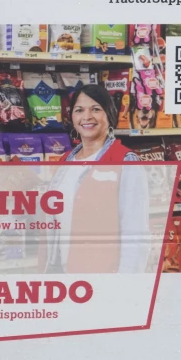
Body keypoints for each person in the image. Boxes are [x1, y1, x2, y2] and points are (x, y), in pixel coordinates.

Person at [46, 83, 150, 275]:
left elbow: (135, 233)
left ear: (109, 115)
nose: (86, 117)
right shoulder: (64, 162)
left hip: (102, 277)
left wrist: (125, 284)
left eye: (96, 109)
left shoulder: (125, 161)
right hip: (61, 272)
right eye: (79, 110)